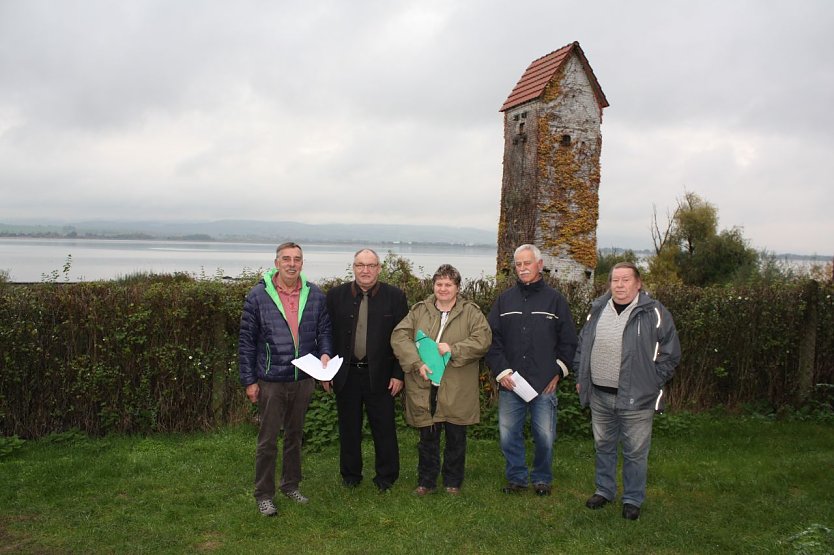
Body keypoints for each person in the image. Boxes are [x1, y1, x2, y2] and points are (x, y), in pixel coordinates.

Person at [574, 261, 680, 520]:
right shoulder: (598, 309)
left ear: (638, 283)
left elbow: (671, 353)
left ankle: (632, 499)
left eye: (625, 280)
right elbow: (583, 345)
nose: (619, 285)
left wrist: (652, 381)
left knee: (635, 451)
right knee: (603, 445)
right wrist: (581, 376)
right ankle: (604, 490)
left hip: (637, 397)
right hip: (600, 395)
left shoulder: (654, 312)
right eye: (615, 280)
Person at [239, 242, 333, 517]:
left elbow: (325, 330)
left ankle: (291, 485)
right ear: (277, 262)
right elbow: (246, 343)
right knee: (268, 440)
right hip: (270, 379)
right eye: (287, 259)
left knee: (295, 436)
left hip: (303, 378)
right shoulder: (257, 296)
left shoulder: (315, 295)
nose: (292, 264)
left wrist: (326, 353)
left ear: (302, 264)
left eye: (297, 259)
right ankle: (264, 495)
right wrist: (249, 381)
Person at [391, 264, 491, 495]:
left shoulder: (471, 312)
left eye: (448, 284)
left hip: (457, 384)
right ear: (433, 286)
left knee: (456, 436)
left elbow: (483, 339)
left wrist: (454, 348)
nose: (443, 288)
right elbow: (399, 336)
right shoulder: (419, 311)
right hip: (425, 384)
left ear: (457, 287)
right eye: (439, 284)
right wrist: (416, 363)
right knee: (428, 436)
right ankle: (426, 482)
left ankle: (452, 482)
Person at [486, 244, 577, 496]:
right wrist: (502, 372)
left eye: (528, 263)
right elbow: (491, 339)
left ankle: (541, 479)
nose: (523, 268)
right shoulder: (504, 300)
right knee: (508, 435)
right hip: (510, 382)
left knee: (545, 436)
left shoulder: (555, 300)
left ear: (539, 264)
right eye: (518, 264)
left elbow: (569, 341)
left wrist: (558, 371)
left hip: (544, 382)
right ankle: (516, 478)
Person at [325, 248, 409, 492]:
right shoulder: (335, 296)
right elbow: (326, 336)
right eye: (360, 265)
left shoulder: (395, 297)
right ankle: (350, 475)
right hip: (346, 373)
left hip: (381, 375)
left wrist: (398, 374)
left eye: (370, 265)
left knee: (384, 428)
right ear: (353, 268)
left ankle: (386, 477)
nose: (365, 270)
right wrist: (327, 372)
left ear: (379, 268)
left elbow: (404, 338)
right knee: (348, 428)